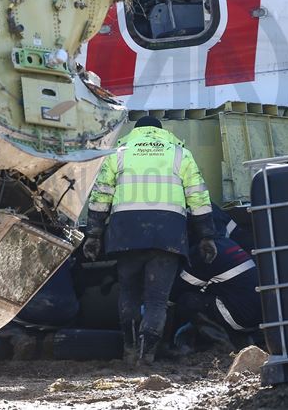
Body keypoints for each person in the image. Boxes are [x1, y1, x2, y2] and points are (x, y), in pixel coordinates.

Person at [82, 116, 217, 366]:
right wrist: (206, 235)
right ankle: (148, 355)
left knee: (129, 294)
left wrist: (94, 234)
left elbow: (101, 194)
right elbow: (198, 196)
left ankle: (130, 350)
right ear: (160, 132)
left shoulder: (119, 152)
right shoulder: (180, 153)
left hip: (126, 233)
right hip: (168, 234)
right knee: (157, 300)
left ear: (137, 132)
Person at [171, 235, 262, 353]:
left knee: (187, 301)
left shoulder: (203, 251)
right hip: (257, 316)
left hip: (240, 316)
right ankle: (240, 340)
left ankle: (221, 343)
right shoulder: (226, 242)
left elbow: (177, 291)